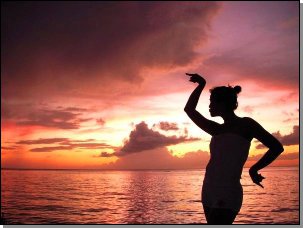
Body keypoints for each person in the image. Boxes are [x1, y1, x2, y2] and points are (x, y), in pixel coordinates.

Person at [184, 73, 284, 224]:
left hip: (228, 190)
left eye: (212, 102)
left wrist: (253, 169)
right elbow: (189, 110)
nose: (209, 106)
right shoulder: (216, 129)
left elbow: (276, 147)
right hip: (209, 188)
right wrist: (201, 85)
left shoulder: (246, 125)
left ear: (223, 104)